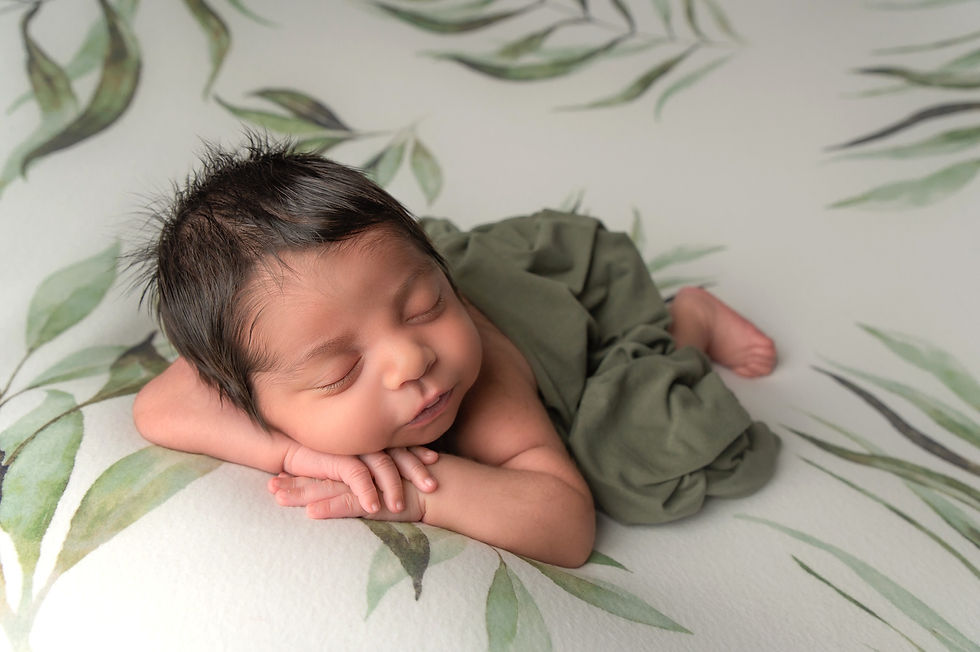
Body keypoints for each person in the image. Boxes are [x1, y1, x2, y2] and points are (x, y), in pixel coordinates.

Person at [132, 139, 780, 568]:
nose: (412, 359)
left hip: (581, 305)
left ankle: (684, 320)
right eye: (341, 370)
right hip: (376, 291)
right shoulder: (264, 335)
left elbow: (566, 524)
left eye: (424, 308)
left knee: (634, 468)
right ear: (247, 390)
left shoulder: (479, 379)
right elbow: (158, 407)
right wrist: (294, 453)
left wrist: (416, 496)